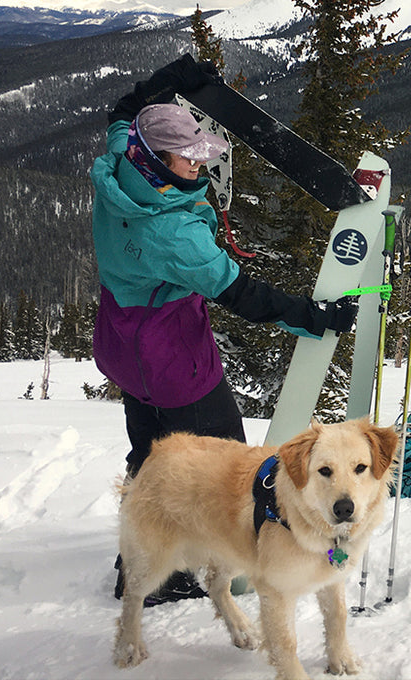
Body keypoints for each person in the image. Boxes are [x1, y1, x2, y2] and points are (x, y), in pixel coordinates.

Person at [90, 55, 357, 604]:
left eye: (197, 154)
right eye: (184, 159)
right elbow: (243, 295)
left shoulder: (120, 163)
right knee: (222, 465)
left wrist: (170, 78)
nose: (196, 166)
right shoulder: (173, 238)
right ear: (153, 162)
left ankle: (139, 552)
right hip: (173, 362)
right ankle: (175, 574)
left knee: (153, 451)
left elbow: (125, 112)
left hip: (124, 345)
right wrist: (318, 316)